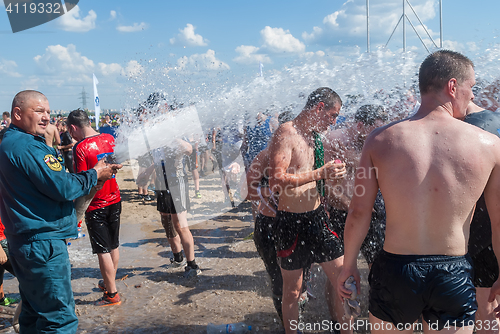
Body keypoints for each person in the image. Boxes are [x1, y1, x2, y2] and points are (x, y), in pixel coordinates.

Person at [337, 50, 500, 333]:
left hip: (396, 270)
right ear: (452, 86)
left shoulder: (380, 140)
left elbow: (359, 211)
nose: (472, 96)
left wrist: (348, 265)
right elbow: (499, 222)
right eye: (470, 87)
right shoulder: (489, 145)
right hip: (453, 271)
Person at [0, 90, 120, 333]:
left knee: (34, 315)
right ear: (17, 114)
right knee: (59, 320)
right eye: (39, 111)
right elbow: (63, 187)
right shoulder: (28, 147)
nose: (46, 117)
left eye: (48, 111)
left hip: (25, 242)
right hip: (42, 245)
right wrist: (95, 174)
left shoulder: (10, 142)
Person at [268, 87, 347, 334]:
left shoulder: (314, 136)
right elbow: (276, 181)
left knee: (344, 281)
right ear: (319, 108)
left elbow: (315, 177)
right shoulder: (286, 133)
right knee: (292, 290)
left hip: (317, 218)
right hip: (290, 222)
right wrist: (319, 173)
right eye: (333, 115)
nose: (334, 121)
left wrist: (333, 174)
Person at [323, 104, 388, 320]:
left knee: (379, 268)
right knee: (339, 273)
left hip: (373, 211)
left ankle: (378, 319)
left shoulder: (379, 141)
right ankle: (341, 326)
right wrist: (354, 207)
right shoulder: (335, 140)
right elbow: (329, 189)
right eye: (376, 128)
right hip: (342, 212)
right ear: (360, 125)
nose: (380, 133)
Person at [246, 146, 310, 326]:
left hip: (300, 223)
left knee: (301, 282)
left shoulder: (307, 152)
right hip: (269, 226)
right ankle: (289, 326)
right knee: (278, 280)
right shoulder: (265, 156)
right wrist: (269, 192)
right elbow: (245, 190)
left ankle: (299, 322)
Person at [67, 109, 123, 307]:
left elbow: (83, 180)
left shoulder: (81, 147)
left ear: (73, 127)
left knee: (102, 250)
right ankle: (110, 282)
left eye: (69, 131)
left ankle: (112, 294)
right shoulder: (109, 137)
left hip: (95, 203)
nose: (70, 135)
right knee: (113, 244)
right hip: (115, 197)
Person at [138, 138, 201, 278]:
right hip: (162, 184)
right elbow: (158, 160)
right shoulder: (157, 136)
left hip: (177, 183)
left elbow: (189, 149)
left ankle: (192, 265)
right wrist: (147, 173)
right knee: (166, 222)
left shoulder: (175, 134)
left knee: (180, 224)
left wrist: (172, 136)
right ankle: (178, 258)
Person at [464, 101, 500, 333]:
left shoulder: (468, 129)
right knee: (493, 302)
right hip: (494, 229)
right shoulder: (495, 119)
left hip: (481, 232)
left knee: (484, 304)